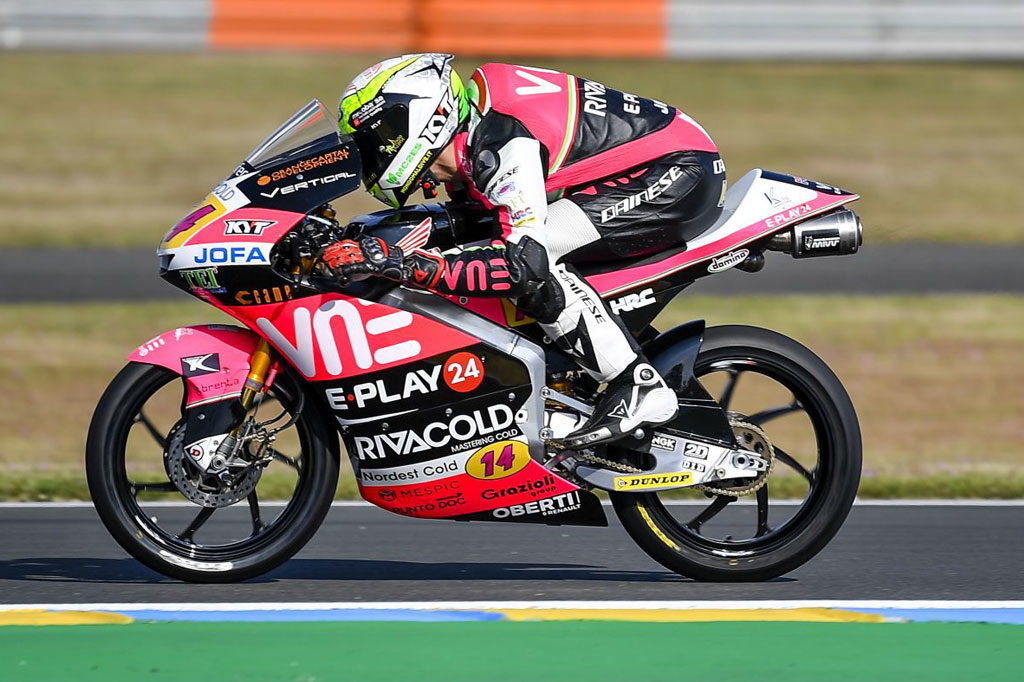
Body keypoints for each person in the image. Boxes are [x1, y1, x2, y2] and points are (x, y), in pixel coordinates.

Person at [323, 53, 726, 448]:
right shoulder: (471, 132)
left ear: (420, 118)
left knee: (534, 256)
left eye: (378, 136)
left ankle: (638, 385)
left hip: (679, 171)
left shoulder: (503, 142)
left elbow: (522, 267)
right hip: (653, 163)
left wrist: (406, 265)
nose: (374, 151)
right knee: (495, 249)